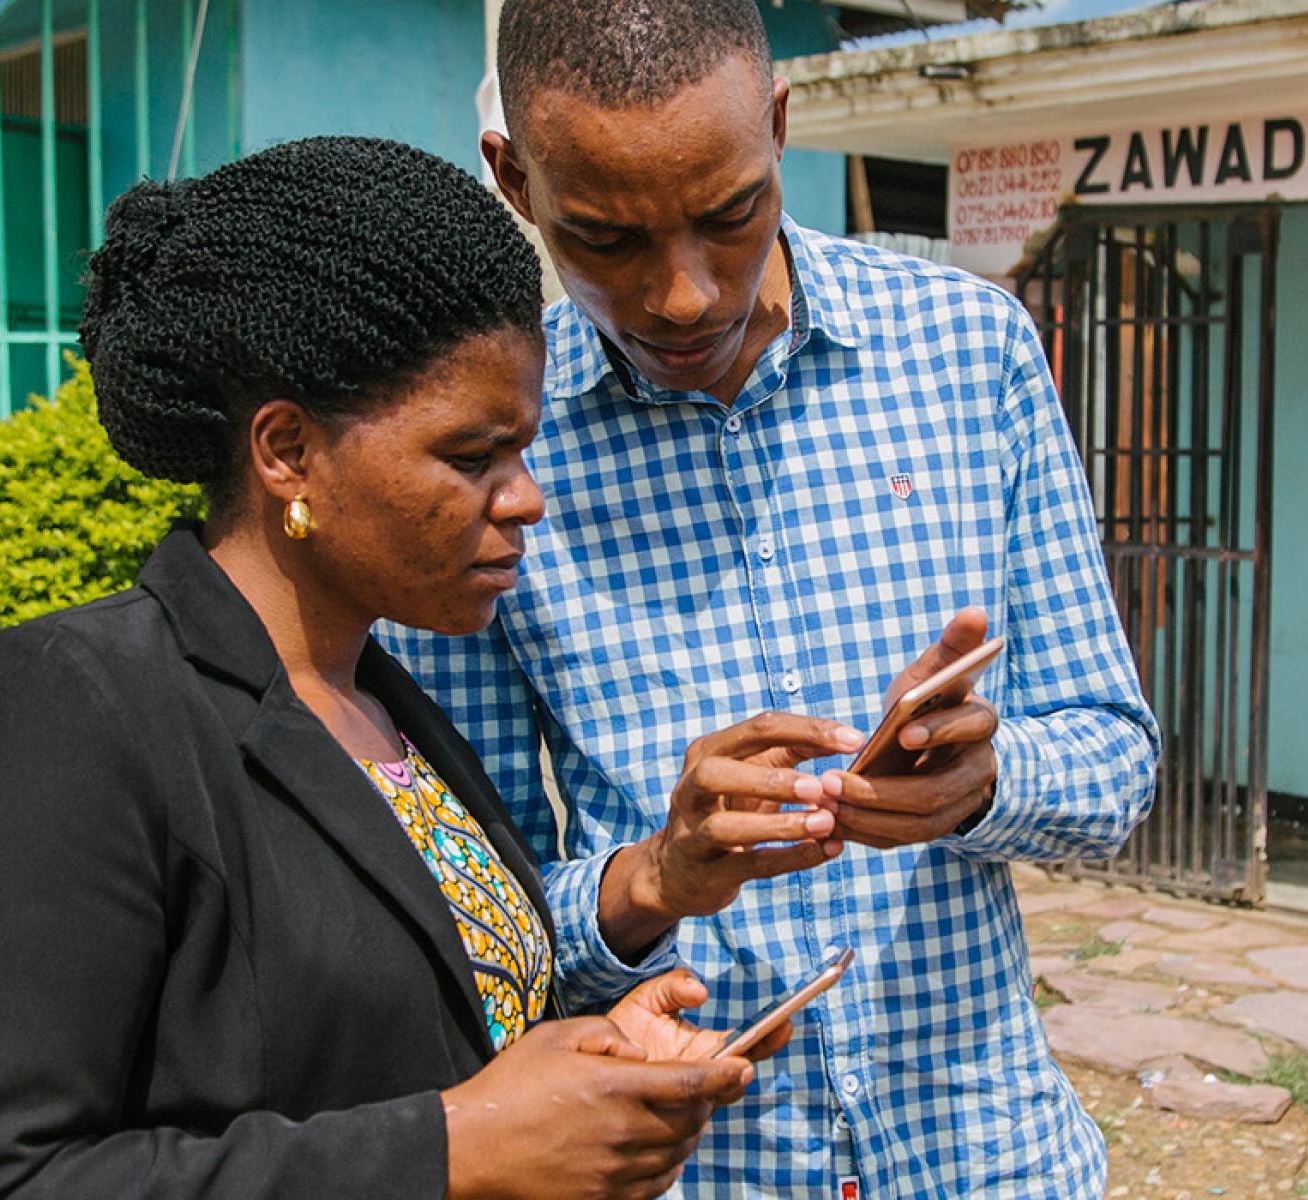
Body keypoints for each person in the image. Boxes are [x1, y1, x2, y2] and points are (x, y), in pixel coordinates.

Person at [0, 136, 786, 1200]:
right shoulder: (79, 703)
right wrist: (454, 1148)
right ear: (285, 451)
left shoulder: (390, 708)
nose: (524, 497)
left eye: (522, 450)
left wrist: (581, 1069)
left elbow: (411, 1046)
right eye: (469, 456)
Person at [380, 2, 1163, 1195]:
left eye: (728, 214)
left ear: (781, 127)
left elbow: (1112, 760)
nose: (682, 295)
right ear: (513, 181)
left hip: (989, 1158)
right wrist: (652, 878)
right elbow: (473, 929)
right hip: (705, 1169)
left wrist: (979, 786)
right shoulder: (493, 459)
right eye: (604, 237)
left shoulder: (968, 355)